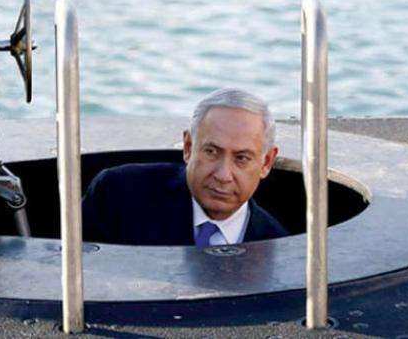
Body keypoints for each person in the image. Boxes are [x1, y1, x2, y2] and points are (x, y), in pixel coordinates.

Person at [82, 88, 288, 246]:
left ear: (266, 163)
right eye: (211, 152)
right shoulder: (118, 195)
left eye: (241, 158)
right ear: (188, 147)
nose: (223, 175)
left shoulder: (278, 247)